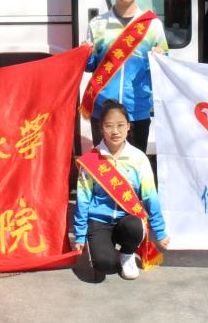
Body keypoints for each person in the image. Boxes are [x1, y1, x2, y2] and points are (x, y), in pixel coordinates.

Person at [73, 100, 170, 280]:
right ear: (101, 128)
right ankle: (104, 248)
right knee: (105, 265)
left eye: (120, 125)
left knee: (134, 226)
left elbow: (150, 196)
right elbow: (83, 199)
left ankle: (127, 253)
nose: (115, 131)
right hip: (99, 220)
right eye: (109, 126)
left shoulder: (139, 159)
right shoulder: (91, 160)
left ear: (128, 127)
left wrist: (160, 231)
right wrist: (79, 235)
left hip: (127, 219)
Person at [82, 0, 169, 152]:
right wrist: (85, 54)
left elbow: (164, 66)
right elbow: (89, 66)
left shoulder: (152, 25)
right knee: (103, 164)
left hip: (136, 108)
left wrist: (161, 56)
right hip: (103, 109)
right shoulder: (98, 24)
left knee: (134, 163)